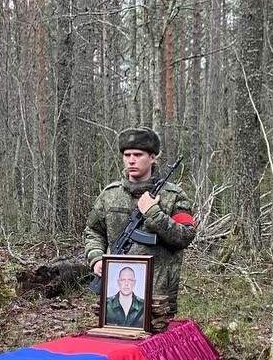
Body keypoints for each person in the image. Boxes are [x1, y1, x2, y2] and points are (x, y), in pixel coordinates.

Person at [84, 127, 196, 316]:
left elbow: (185, 236)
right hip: (114, 293)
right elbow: (93, 231)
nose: (131, 160)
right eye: (127, 155)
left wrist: (154, 212)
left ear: (153, 157)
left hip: (157, 296)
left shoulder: (174, 196)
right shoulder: (109, 195)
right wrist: (96, 258)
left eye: (138, 154)